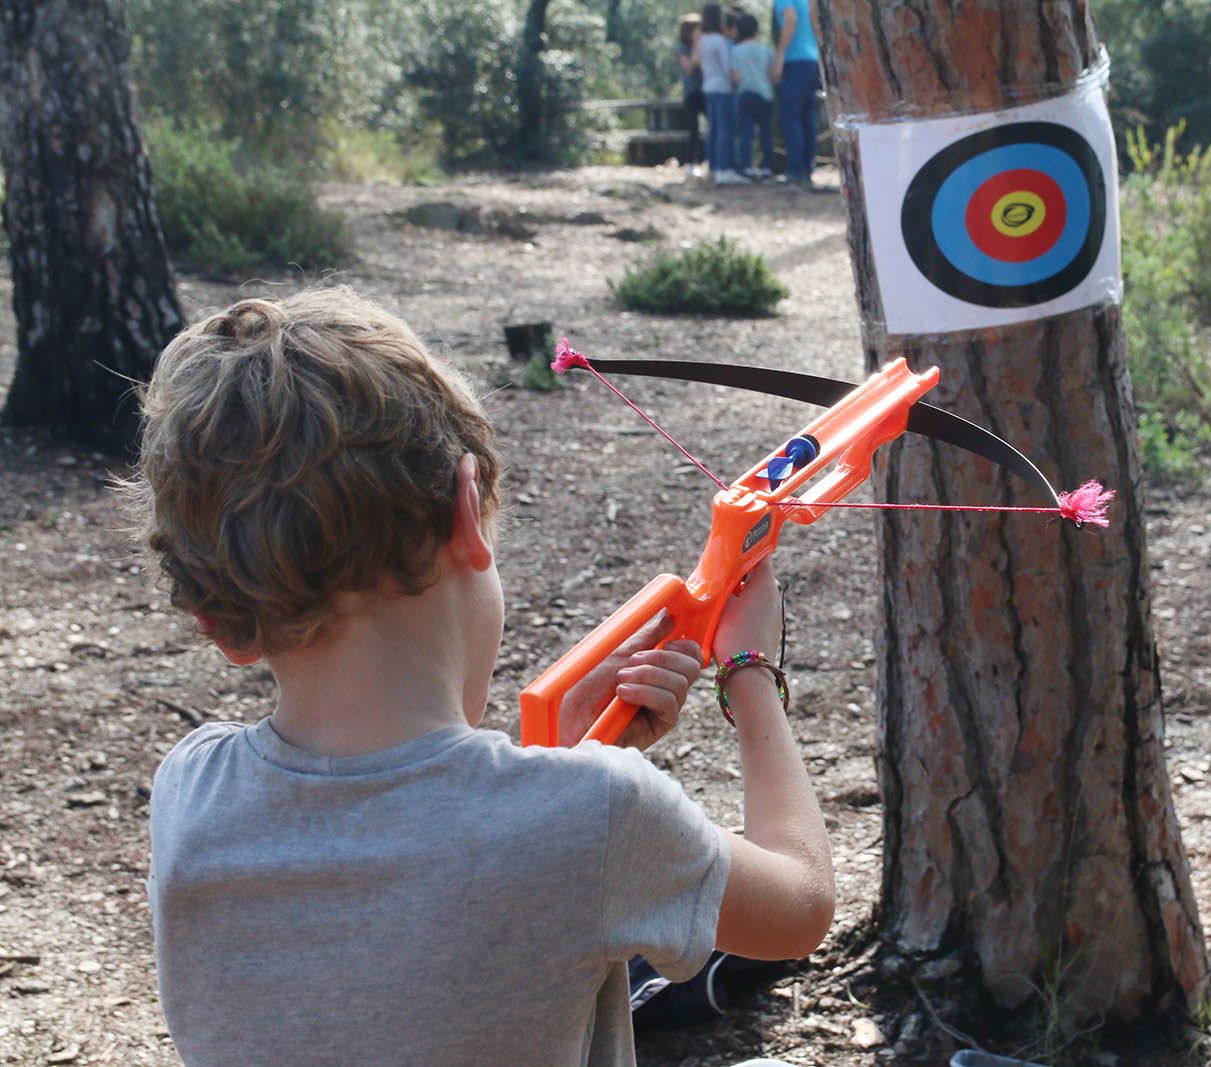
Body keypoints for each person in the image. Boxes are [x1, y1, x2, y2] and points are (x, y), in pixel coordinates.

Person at [128, 287, 834, 1067]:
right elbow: (800, 903)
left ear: (219, 620)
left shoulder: (191, 792)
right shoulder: (596, 815)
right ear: (468, 506)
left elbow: (411, 841)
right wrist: (747, 670)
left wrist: (554, 757)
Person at [769, 0, 821, 190]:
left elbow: (790, 19)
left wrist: (780, 55)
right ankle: (806, 170)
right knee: (808, 118)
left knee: (791, 117)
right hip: (812, 61)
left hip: (794, 62)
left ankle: (795, 171)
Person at [698, 4, 745, 185]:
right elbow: (727, 66)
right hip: (722, 88)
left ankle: (713, 167)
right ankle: (725, 168)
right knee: (725, 129)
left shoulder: (703, 40)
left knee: (713, 129)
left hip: (708, 86)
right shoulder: (719, 40)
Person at [731, 12, 776, 179]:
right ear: (756, 30)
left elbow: (735, 76)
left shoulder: (735, 51)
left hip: (745, 94)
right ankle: (767, 167)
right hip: (764, 95)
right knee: (766, 133)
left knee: (746, 133)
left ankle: (747, 166)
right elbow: (772, 74)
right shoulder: (766, 51)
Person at [677, 14, 706, 177]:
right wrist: (696, 45)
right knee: (693, 129)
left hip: (706, 91)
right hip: (691, 93)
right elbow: (689, 67)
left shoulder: (705, 46)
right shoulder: (683, 49)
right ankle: (690, 162)